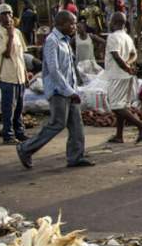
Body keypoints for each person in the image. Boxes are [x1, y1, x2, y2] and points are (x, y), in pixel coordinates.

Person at [16, 11, 94, 169]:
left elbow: (69, 68)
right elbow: (54, 69)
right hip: (59, 91)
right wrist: (68, 90)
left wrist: (74, 89)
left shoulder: (65, 40)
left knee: (76, 124)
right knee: (57, 124)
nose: (74, 27)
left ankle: (75, 156)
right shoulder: (52, 41)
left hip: (69, 89)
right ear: (61, 24)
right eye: (71, 23)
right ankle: (26, 148)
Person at [103, 12, 142, 144]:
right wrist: (128, 63)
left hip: (117, 75)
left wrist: (126, 67)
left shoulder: (113, 37)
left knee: (116, 107)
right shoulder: (127, 37)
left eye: (110, 21)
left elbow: (116, 56)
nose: (109, 23)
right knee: (121, 106)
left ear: (115, 22)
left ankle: (141, 126)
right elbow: (134, 54)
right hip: (126, 76)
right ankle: (119, 135)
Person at [0, 3, 28, 144]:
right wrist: (10, 36)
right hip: (7, 76)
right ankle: (8, 135)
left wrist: (25, 73)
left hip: (19, 75)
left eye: (9, 14)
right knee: (8, 108)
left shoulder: (17, 32)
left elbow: (20, 56)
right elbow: (6, 54)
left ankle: (20, 132)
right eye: (4, 14)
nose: (7, 17)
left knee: (19, 107)